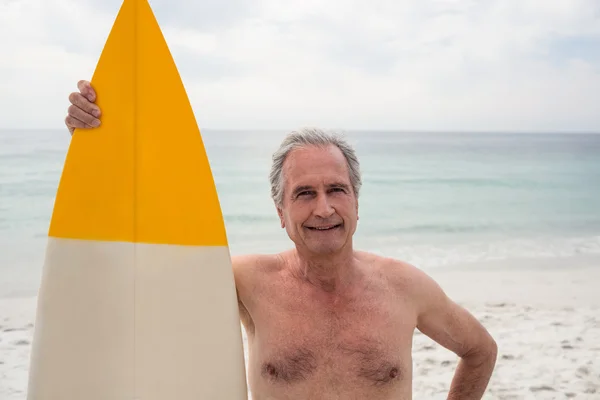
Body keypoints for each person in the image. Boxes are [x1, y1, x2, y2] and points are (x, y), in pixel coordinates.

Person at [65, 80, 498, 399]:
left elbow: (480, 350)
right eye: (304, 194)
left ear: (357, 203)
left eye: (337, 190)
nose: (324, 208)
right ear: (280, 213)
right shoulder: (246, 282)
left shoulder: (405, 287)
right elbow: (143, 260)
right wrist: (99, 143)